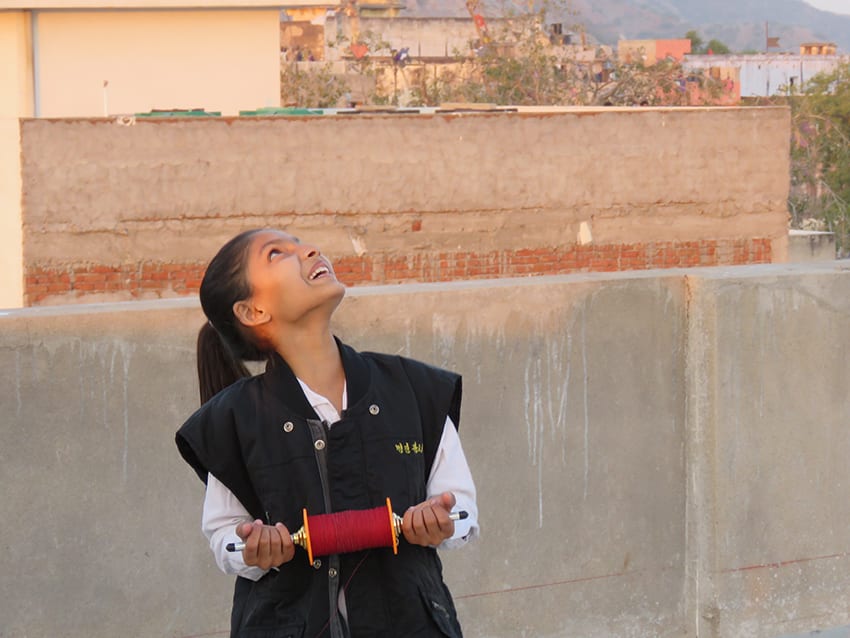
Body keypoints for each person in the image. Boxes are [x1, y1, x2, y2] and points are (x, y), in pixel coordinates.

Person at [175, 228, 478, 638]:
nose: (310, 250)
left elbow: (461, 509)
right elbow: (224, 537)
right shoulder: (233, 420)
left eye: (301, 243)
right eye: (277, 253)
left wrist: (441, 521)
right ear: (253, 311)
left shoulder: (414, 389)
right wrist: (255, 548)